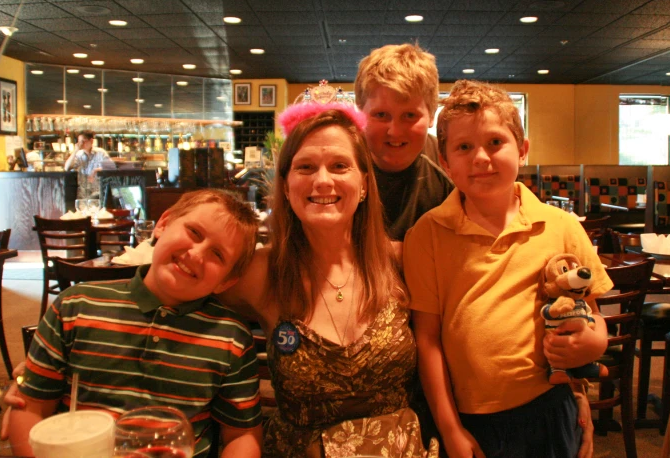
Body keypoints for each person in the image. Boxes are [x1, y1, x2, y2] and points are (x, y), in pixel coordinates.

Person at [404, 80, 611, 458]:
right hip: (468, 416)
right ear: (446, 162)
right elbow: (428, 340)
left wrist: (596, 341)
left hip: (548, 405)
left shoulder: (560, 225)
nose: (481, 158)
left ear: (523, 150)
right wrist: (450, 428)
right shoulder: (428, 234)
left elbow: (592, 314)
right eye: (464, 147)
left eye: (495, 142)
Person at [220, 101, 439, 457]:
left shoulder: (402, 260)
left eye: (339, 166)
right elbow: (183, 296)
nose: (323, 181)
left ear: (364, 184)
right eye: (305, 167)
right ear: (287, 186)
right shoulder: (262, 272)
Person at [7, 189, 263, 458]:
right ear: (163, 224)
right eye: (194, 233)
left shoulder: (231, 337)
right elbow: (31, 408)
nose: (197, 254)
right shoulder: (75, 305)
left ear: (227, 281)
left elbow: (241, 434)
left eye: (218, 255)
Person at [354, 43, 454, 241]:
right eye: (381, 115)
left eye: (409, 115)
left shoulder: (451, 167)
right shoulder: (340, 164)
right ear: (360, 112)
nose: (395, 131)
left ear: (432, 115)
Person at [64, 130, 116, 199]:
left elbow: (112, 167)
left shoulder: (100, 153)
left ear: (91, 141)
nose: (81, 144)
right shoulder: (79, 155)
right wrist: (75, 151)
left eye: (83, 141)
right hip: (82, 193)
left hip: (98, 192)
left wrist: (96, 170)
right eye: (79, 142)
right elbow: (67, 168)